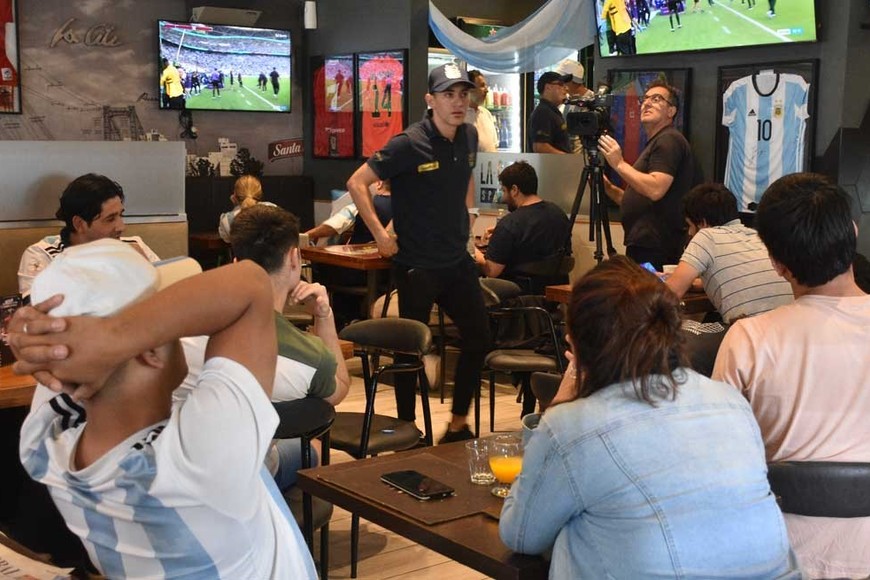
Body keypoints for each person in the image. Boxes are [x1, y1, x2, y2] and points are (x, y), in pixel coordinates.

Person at [11, 240, 317, 578]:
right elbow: (252, 284)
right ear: (149, 349)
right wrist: (120, 334)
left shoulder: (44, 442)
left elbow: (54, 358)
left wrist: (30, 334)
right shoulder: (196, 458)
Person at [499, 256, 800, 578]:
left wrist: (560, 401)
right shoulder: (730, 401)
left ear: (580, 339)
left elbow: (522, 534)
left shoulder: (572, 426)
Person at [712, 173, 870, 578]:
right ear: (853, 233)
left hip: (776, 555)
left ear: (776, 263)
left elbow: (719, 461)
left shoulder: (748, 339)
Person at [346, 63, 490, 443]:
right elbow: (357, 182)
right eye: (448, 94)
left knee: (479, 336)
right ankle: (408, 429)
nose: (458, 102)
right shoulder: (409, 143)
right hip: (417, 264)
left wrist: (469, 220)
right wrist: (380, 234)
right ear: (430, 100)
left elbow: (465, 179)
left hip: (456, 260)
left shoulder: (469, 135)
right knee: (409, 350)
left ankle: (457, 423)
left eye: (463, 94)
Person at [182, 205, 350, 490]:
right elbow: (339, 389)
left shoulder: (181, 325)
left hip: (174, 471)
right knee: (314, 446)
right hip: (243, 480)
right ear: (294, 258)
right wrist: (324, 316)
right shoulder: (310, 359)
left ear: (235, 262)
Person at [599, 79, 702, 270]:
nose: (647, 103)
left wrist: (619, 163)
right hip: (646, 244)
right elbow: (640, 199)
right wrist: (608, 188)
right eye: (645, 99)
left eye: (656, 99)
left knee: (647, 290)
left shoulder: (668, 140)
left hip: (657, 246)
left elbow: (655, 189)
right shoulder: (657, 142)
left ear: (671, 111)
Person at [665, 182, 793, 323]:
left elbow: (670, 294)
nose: (690, 232)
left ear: (703, 223)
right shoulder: (759, 236)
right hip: (791, 325)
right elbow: (744, 276)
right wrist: (695, 284)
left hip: (753, 331)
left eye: (690, 225)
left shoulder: (706, 236)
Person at [17, 173, 159, 298]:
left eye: (121, 215)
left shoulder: (135, 246)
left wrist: (146, 270)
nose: (122, 227)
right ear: (79, 223)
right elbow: (37, 312)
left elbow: (167, 297)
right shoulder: (42, 255)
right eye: (110, 219)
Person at [474, 161, 571, 293]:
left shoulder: (511, 223)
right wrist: (501, 235)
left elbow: (492, 271)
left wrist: (473, 250)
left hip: (519, 296)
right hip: (554, 294)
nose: (504, 197)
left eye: (504, 190)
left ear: (514, 190)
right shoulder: (559, 214)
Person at [218, 175, 276, 243]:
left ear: (235, 195)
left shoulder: (226, 220)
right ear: (260, 193)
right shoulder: (272, 209)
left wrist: (236, 207)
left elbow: (228, 240)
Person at [554, 59, 594, 154]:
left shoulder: (592, 101)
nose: (560, 84)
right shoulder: (564, 100)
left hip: (582, 157)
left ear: (573, 81)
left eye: (562, 80)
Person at [528, 71, 572, 154]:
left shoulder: (551, 111)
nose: (566, 89)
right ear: (548, 87)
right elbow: (540, 147)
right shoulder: (543, 112)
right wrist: (567, 158)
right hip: (552, 163)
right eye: (560, 84)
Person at [465, 70, 498, 153]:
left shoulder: (486, 114)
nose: (487, 90)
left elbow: (495, 145)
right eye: (482, 86)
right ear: (470, 89)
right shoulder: (460, 117)